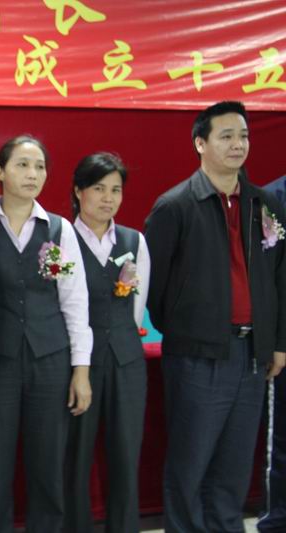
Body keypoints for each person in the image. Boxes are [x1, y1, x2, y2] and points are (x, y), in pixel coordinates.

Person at [145, 101, 286, 533]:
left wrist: (277, 342)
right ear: (200, 143)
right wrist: (192, 331)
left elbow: (280, 279)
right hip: (198, 357)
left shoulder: (264, 204)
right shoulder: (174, 206)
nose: (237, 144)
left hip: (252, 355)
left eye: (243, 136)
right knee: (190, 465)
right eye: (226, 136)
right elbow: (155, 289)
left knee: (234, 467)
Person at [0, 135, 93, 533]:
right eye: (22, 165)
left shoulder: (59, 230)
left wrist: (81, 370)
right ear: (0, 171)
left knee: (48, 463)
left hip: (50, 360)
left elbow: (74, 301)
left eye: (39, 166)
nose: (32, 174)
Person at [63, 153, 150, 533]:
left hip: (126, 362)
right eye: (99, 189)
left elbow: (137, 307)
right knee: (76, 457)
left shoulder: (134, 240)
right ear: (78, 191)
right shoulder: (60, 239)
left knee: (125, 456)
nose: (108, 198)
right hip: (77, 365)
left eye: (115, 190)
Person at [259, 174, 286, 533]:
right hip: (284, 341)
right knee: (282, 439)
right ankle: (278, 519)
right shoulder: (271, 198)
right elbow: (267, 275)